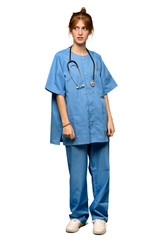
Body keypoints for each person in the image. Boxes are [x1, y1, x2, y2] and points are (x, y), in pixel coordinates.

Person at [45, 7, 118, 235]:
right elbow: (58, 93)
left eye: (84, 28)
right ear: (70, 30)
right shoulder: (60, 58)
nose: (80, 32)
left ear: (90, 31)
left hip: (98, 122)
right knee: (76, 175)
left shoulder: (97, 59)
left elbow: (104, 90)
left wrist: (110, 118)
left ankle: (100, 216)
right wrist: (66, 123)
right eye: (76, 28)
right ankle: (78, 216)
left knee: (102, 171)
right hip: (74, 125)